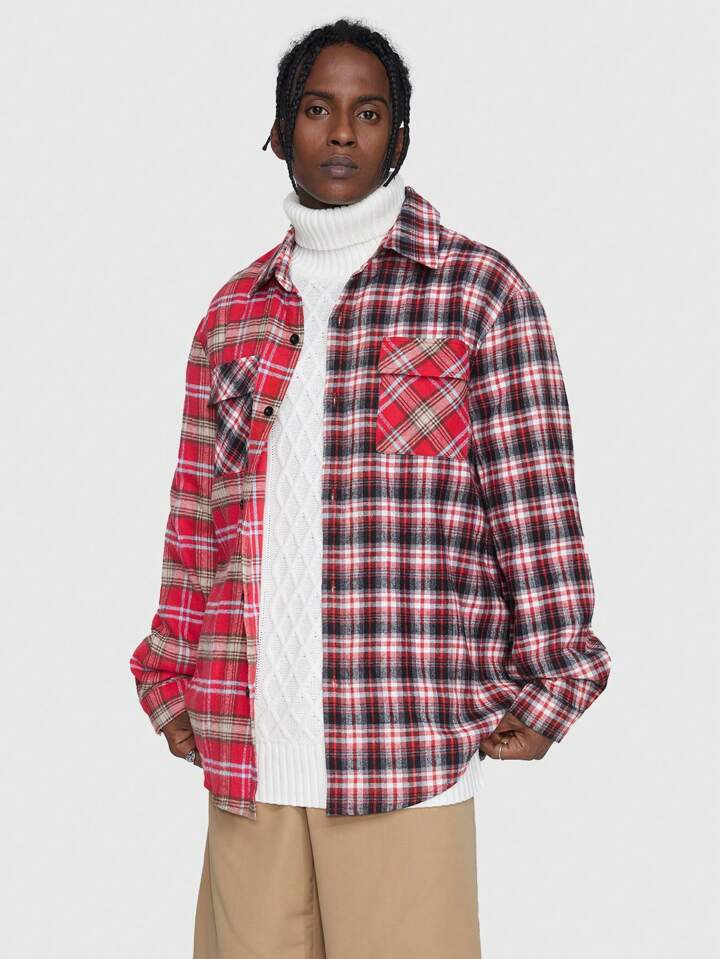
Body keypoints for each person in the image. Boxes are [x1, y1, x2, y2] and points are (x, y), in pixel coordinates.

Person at [129, 17, 612, 959]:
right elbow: (196, 520)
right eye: (317, 109)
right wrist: (170, 672)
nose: (343, 131)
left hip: (404, 753)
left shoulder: (477, 293)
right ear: (280, 131)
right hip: (248, 758)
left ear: (401, 135)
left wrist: (557, 678)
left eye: (369, 112)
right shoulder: (233, 315)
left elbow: (534, 502)